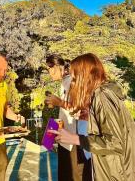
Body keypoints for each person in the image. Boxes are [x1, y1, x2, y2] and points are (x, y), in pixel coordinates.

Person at [50, 53, 135, 181]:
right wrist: (90, 116)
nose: (73, 83)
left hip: (115, 172)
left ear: (84, 76)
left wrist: (76, 139)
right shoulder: (101, 95)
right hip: (111, 167)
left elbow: (115, 143)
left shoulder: (102, 95)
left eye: (74, 78)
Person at [45, 54, 92, 181]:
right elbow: (67, 111)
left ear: (58, 66)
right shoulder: (64, 82)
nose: (49, 73)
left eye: (50, 69)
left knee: (74, 176)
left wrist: (59, 102)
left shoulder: (72, 81)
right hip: (65, 139)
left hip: (74, 141)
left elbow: (79, 109)